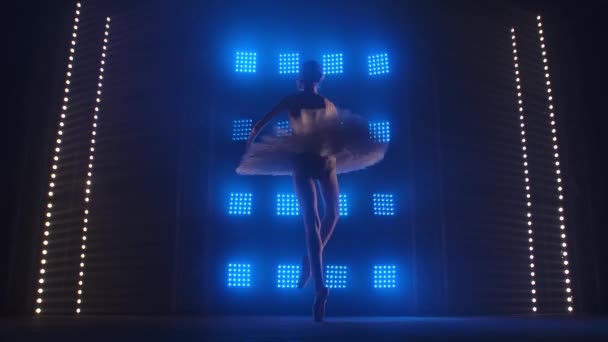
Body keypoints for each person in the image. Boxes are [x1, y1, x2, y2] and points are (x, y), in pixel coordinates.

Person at [236, 60, 387, 322]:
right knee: (333, 215)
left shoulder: (291, 99)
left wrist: (250, 140)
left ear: (300, 78)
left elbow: (260, 123)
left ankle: (318, 284)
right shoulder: (328, 103)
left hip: (302, 159)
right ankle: (311, 262)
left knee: (310, 223)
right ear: (319, 79)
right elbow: (339, 132)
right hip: (326, 159)